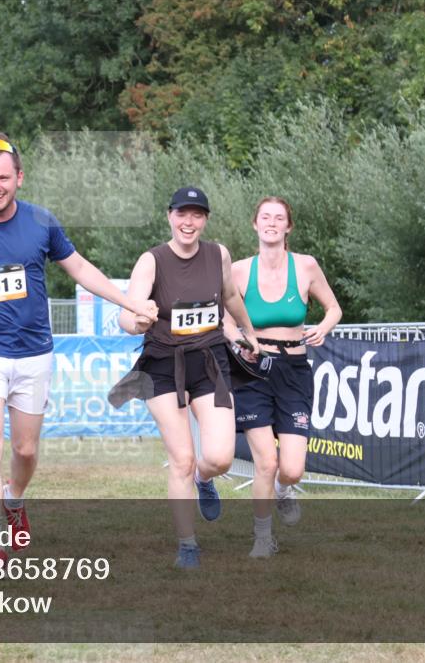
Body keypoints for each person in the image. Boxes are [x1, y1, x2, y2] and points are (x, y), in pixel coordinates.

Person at [0, 134, 158, 568]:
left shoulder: (42, 222)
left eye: (3, 177)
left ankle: (14, 498)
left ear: (19, 177)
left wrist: (130, 301)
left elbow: (81, 269)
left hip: (34, 354)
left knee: (25, 451)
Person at [108, 187, 262, 569]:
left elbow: (229, 297)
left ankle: (205, 480)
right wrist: (136, 320)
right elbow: (127, 315)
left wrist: (248, 331)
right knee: (181, 459)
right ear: (169, 216)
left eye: (196, 215)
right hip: (162, 365)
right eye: (182, 214)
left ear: (205, 219)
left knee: (220, 457)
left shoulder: (218, 254)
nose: (188, 222)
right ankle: (187, 544)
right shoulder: (152, 260)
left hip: (210, 362)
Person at [225, 196, 341, 559]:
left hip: (294, 370)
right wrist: (238, 338)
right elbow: (224, 317)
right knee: (266, 461)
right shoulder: (240, 271)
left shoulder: (305, 266)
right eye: (265, 217)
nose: (272, 223)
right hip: (253, 371)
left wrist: (322, 327)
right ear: (255, 224)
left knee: (290, 468)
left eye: (279, 218)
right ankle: (262, 537)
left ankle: (284, 490)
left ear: (288, 227)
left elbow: (334, 308)